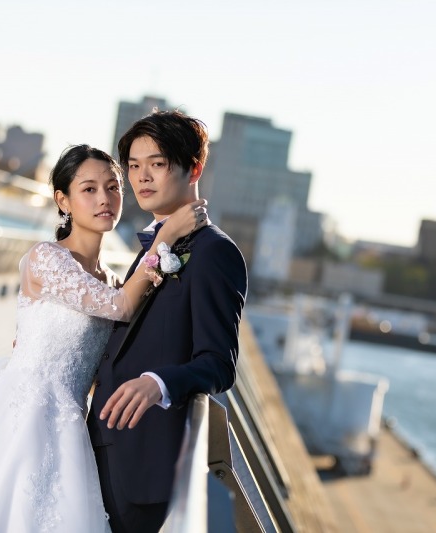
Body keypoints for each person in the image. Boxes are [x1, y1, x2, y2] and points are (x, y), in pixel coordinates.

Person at [0, 144, 207, 533]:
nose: (104, 198)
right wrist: (167, 237)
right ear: (63, 200)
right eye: (89, 189)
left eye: (113, 187)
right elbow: (121, 307)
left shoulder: (115, 279)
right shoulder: (47, 258)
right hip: (17, 415)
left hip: (68, 426)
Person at [87, 110, 248, 533]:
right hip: (100, 444)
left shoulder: (214, 252)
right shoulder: (156, 245)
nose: (142, 177)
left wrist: (158, 382)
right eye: (133, 166)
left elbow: (219, 363)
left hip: (145, 459)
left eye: (156, 164)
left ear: (194, 168)